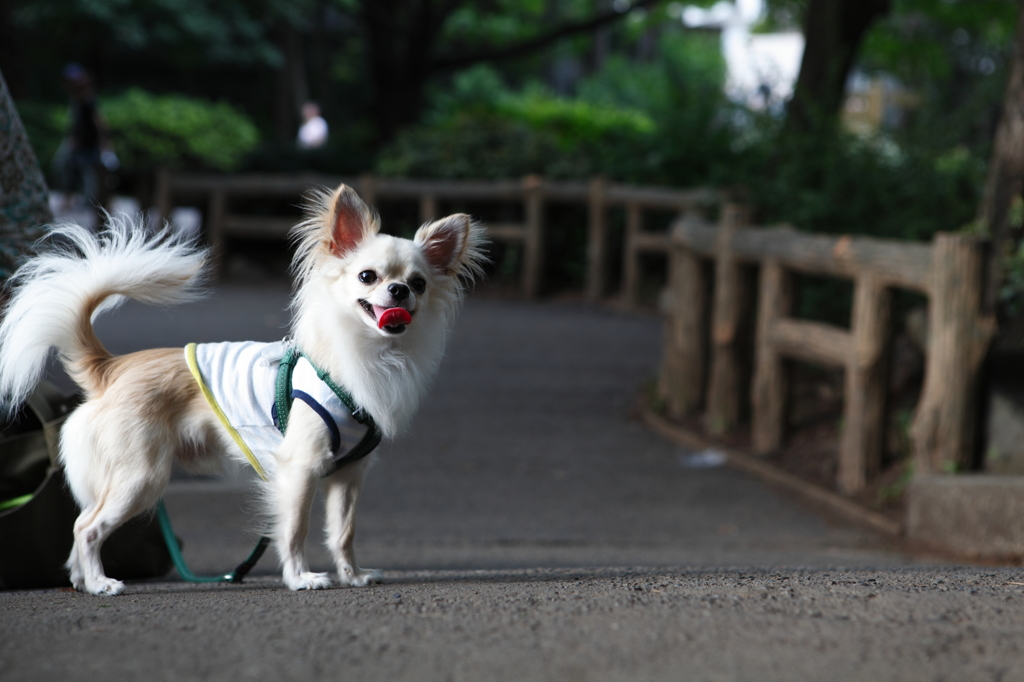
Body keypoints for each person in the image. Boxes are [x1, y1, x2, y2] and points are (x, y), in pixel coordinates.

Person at [55, 64, 116, 209]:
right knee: (73, 169)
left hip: (88, 144)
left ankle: (99, 201)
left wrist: (105, 141)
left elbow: (99, 121)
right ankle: (72, 199)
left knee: (88, 173)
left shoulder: (88, 100)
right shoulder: (78, 100)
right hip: (80, 144)